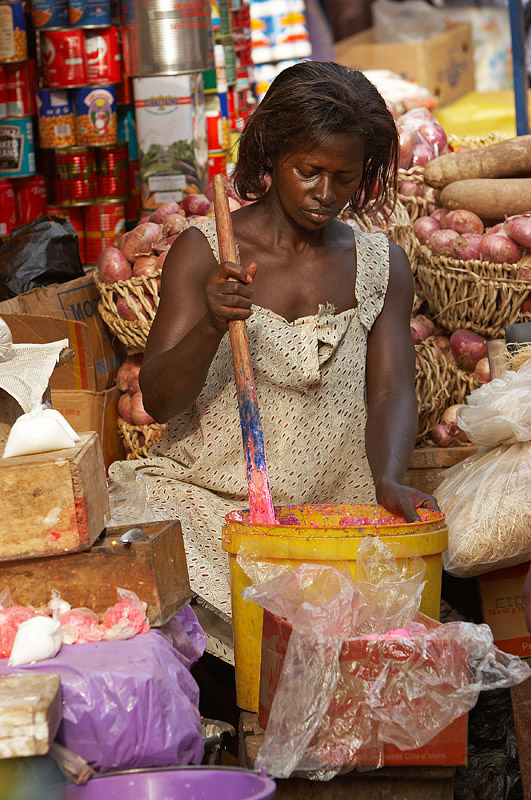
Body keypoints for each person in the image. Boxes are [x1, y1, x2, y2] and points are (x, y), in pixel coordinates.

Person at [119, 61, 438, 641]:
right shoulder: (204, 252)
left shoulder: (379, 263)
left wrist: (389, 478)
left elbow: (392, 390)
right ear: (271, 154)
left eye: (345, 178)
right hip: (214, 502)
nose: (325, 195)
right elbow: (162, 400)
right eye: (309, 171)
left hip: (329, 513)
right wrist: (212, 323)